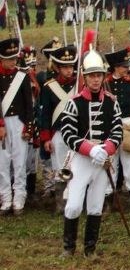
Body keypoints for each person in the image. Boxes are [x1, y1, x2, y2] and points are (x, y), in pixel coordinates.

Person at [60, 48, 122, 257]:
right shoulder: (74, 102)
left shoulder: (112, 102)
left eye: (99, 75)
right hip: (82, 159)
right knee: (75, 204)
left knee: (95, 205)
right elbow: (67, 133)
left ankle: (90, 249)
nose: (96, 80)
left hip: (103, 159)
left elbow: (117, 130)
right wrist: (90, 148)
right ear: (85, 78)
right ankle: (68, 248)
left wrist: (107, 148)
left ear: (103, 77)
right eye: (92, 76)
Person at [37, 45, 78, 214]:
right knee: (60, 168)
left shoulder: (79, 84)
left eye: (71, 67)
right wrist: (46, 138)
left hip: (76, 134)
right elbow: (44, 114)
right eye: (65, 67)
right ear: (57, 68)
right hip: (59, 133)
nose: (69, 71)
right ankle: (61, 203)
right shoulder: (49, 87)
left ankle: (75, 200)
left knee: (76, 167)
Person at [105, 47, 130, 212]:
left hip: (128, 126)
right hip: (110, 126)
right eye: (123, 66)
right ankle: (108, 202)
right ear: (115, 67)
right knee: (110, 167)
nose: (127, 69)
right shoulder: (105, 84)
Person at [0, 38, 35, 215]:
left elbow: (29, 105)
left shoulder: (22, 76)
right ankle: (5, 197)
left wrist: (28, 127)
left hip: (19, 122)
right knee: (2, 162)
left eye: (15, 58)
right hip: (2, 123)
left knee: (20, 161)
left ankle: (19, 196)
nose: (13, 62)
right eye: (9, 58)